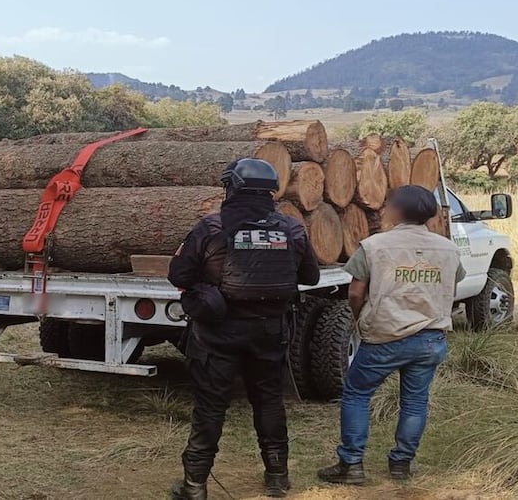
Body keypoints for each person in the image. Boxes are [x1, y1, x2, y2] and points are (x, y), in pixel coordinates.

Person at [169, 158, 321, 499]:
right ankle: (278, 478)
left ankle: (194, 486)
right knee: (269, 401)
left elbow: (178, 275)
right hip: (270, 332)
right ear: (270, 191)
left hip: (217, 333)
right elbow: (310, 276)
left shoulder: (210, 228)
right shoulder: (293, 229)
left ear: (232, 188)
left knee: (210, 405)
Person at [318, 185, 464, 485]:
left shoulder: (374, 246)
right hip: (430, 339)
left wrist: (360, 319)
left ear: (398, 210)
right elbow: (454, 282)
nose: (385, 209)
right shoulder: (448, 248)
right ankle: (401, 465)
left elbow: (356, 292)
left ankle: (351, 465)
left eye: (389, 205)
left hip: (385, 337)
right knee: (415, 401)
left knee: (357, 394)